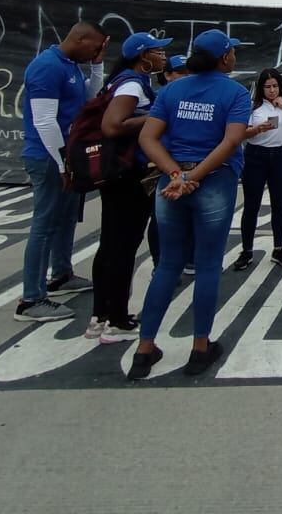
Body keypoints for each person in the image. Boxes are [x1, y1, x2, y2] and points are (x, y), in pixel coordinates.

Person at [130, 30, 252, 379]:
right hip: (213, 181)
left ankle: (144, 348)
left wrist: (175, 174)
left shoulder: (172, 90)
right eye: (233, 52)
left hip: (171, 184)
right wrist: (194, 176)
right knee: (209, 264)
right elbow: (231, 142)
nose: (235, 57)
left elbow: (147, 137)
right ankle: (200, 348)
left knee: (167, 265)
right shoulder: (235, 92)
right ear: (224, 58)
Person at [15, 21, 108, 323]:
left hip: (67, 156)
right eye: (95, 47)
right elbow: (44, 121)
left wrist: (97, 67)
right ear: (80, 39)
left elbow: (90, 102)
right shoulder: (47, 67)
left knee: (67, 217)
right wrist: (61, 162)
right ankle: (31, 299)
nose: (97, 52)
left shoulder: (70, 65)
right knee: (44, 225)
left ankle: (62, 274)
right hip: (48, 157)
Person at [84, 31, 173, 342]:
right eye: (158, 51)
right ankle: (117, 320)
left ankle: (99, 315)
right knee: (123, 246)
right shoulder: (133, 84)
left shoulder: (121, 80)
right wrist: (155, 116)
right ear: (142, 56)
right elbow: (112, 125)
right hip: (127, 175)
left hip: (115, 174)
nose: (163, 55)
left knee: (110, 243)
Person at [233, 69, 282, 272]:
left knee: (279, 203)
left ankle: (278, 248)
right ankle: (246, 250)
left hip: (280, 155)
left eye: (275, 86)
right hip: (256, 155)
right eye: (268, 87)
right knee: (252, 204)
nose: (272, 90)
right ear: (261, 88)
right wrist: (257, 129)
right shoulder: (253, 106)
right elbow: (240, 133)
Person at [148, 54, 192, 267]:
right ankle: (160, 262)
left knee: (190, 212)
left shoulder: (193, 96)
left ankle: (189, 258)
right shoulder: (162, 97)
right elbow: (149, 136)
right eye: (180, 72)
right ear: (167, 75)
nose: (186, 76)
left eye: (189, 72)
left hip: (190, 164)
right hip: (164, 165)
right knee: (161, 217)